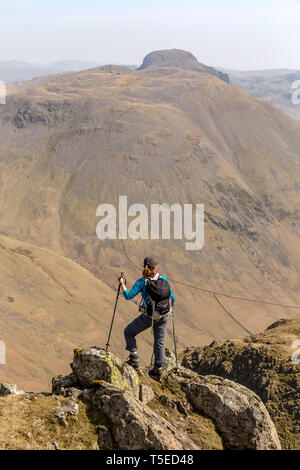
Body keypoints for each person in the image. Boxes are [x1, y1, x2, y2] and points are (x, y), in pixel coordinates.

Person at [119, 256, 175, 379]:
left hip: (150, 316)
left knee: (128, 332)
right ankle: (158, 369)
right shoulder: (163, 279)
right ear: (155, 267)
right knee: (159, 340)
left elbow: (128, 296)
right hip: (165, 315)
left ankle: (134, 359)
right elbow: (173, 298)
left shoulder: (142, 282)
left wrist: (122, 284)